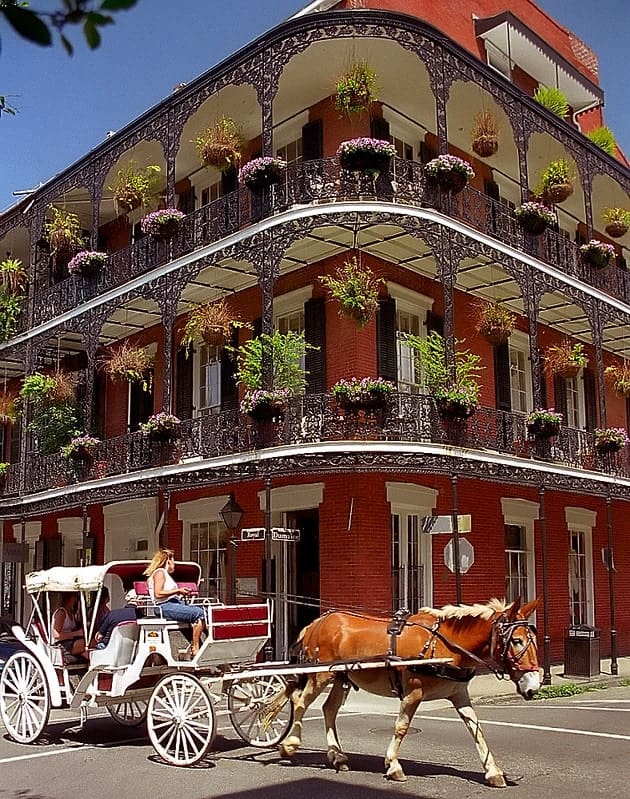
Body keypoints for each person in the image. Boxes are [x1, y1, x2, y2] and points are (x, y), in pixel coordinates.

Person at [144, 548, 205, 656]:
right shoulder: (160, 572)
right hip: (164, 606)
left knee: (206, 611)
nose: (174, 564)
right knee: (198, 613)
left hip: (171, 603)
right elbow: (158, 594)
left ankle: (205, 643)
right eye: (173, 561)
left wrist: (179, 594)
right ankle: (195, 648)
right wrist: (178, 590)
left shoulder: (165, 575)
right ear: (168, 561)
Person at [52, 592, 89, 661]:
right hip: (61, 644)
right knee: (90, 643)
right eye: (76, 597)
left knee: (90, 644)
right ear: (71, 598)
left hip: (71, 642)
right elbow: (56, 635)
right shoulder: (61, 613)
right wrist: (77, 633)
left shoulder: (72, 613)